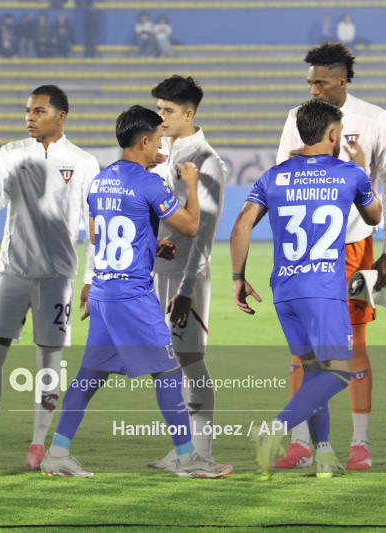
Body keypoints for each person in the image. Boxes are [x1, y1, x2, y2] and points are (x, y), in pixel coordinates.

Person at [40, 105, 230, 479]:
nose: (162, 146)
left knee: (89, 377)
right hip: (132, 296)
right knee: (169, 374)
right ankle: (189, 459)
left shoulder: (101, 178)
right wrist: (190, 182)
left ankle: (57, 453)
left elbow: (100, 235)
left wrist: (150, 245)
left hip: (104, 293)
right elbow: (191, 226)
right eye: (157, 140)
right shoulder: (149, 183)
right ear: (144, 141)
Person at [0, 85, 99, 472]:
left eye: (39, 110)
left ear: (60, 116)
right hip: (12, 271)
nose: (30, 117)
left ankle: (37, 445)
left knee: (49, 363)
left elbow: (94, 222)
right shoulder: (12, 153)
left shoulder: (83, 162)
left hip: (57, 277)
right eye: (28, 111)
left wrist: (92, 276)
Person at [232, 99, 382, 479]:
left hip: (285, 291)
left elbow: (241, 226)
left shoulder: (273, 176)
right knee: (339, 373)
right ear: (333, 134)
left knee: (315, 371)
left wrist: (238, 277)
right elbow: (374, 216)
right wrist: (362, 166)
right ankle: (273, 431)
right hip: (324, 290)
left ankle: (324, 454)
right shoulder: (349, 173)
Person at [276, 42, 386, 471]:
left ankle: (360, 444)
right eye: (309, 82)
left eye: (320, 82)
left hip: (355, 249)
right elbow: (282, 177)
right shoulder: (296, 119)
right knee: (304, 351)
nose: (312, 89)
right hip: (307, 251)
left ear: (342, 81)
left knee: (355, 347)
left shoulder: (375, 119)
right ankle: (299, 444)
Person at [143, 76, 229, 473]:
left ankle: (203, 453)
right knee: (167, 364)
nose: (161, 117)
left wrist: (188, 287)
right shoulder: (161, 154)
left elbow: (205, 230)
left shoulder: (207, 160)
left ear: (189, 114)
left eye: (169, 111)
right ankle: (183, 449)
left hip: (184, 278)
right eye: (159, 109)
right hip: (155, 272)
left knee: (191, 361)